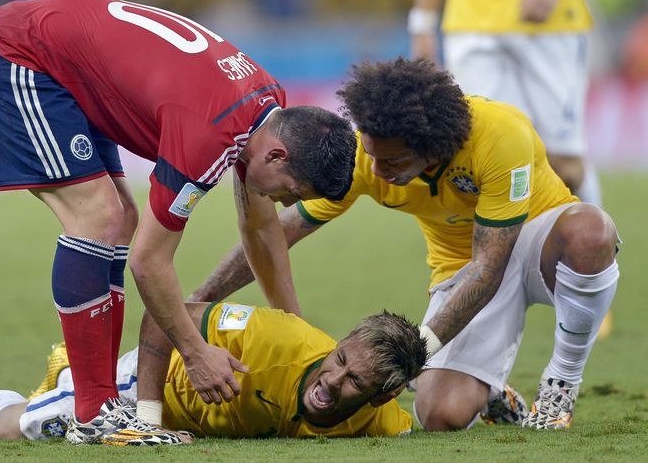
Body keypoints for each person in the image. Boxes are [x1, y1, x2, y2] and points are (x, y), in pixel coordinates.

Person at [0, 0, 357, 444]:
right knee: (99, 217)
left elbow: (260, 229)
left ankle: (100, 400)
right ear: (277, 156)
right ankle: (95, 415)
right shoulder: (210, 135)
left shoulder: (267, 109)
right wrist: (195, 352)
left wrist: (298, 333)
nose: (283, 202)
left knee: (121, 219)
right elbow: (148, 262)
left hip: (58, 62)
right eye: (292, 191)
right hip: (9, 52)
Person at [189, 58, 620, 431]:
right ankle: (491, 392)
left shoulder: (500, 134)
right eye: (372, 154)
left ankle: (560, 384)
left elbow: (491, 266)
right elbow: (277, 234)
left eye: (392, 160)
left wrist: (417, 352)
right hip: (463, 266)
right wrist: (200, 299)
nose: (376, 170)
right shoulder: (368, 159)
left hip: (537, 243)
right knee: (439, 415)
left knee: (590, 233)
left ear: (432, 146)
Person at [0, 302, 427, 443]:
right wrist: (147, 417)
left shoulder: (382, 423)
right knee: (16, 429)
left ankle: (68, 373)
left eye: (355, 382)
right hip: (150, 386)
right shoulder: (275, 337)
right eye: (339, 360)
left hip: (185, 423)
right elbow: (167, 316)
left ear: (382, 397)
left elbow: (424, 428)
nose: (332, 381)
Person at [409, 0, 613, 338]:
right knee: (475, 152)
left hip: (549, 21)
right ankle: (479, 292)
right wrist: (422, 20)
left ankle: (592, 276)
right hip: (472, 21)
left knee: (565, 165)